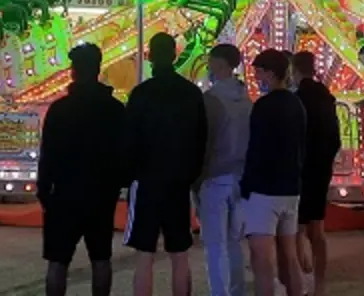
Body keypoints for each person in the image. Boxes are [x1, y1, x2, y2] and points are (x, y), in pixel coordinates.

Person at [121, 33, 208, 296]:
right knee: (179, 253)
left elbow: (128, 140)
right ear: (175, 55)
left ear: (150, 56)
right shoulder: (191, 93)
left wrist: (130, 174)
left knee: (144, 254)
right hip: (179, 182)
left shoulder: (141, 94)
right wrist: (191, 174)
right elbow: (201, 138)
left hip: (147, 181)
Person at [38, 44, 126, 296]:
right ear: (98, 70)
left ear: (73, 71)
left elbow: (48, 153)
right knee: (101, 257)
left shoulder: (59, 109)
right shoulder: (115, 109)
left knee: (58, 260)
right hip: (101, 194)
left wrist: (44, 190)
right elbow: (124, 151)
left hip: (63, 194)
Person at [241, 49, 306, 296]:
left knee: (262, 258)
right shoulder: (296, 104)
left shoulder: (264, 106)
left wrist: (246, 185)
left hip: (264, 190)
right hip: (291, 187)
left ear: (270, 73)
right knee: (289, 254)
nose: (257, 78)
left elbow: (256, 149)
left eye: (259, 72)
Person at [197, 44, 252, 296]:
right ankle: (237, 289)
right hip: (240, 175)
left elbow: (204, 142)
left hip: (215, 176)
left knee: (215, 244)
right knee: (233, 242)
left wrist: (197, 178)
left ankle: (220, 292)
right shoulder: (247, 99)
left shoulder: (211, 100)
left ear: (219, 65)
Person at [290, 51, 340, 296]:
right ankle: (320, 284)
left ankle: (300, 280)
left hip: (300, 171)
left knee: (296, 229)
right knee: (317, 230)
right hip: (321, 170)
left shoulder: (296, 100)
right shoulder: (326, 97)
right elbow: (335, 139)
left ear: (294, 70)